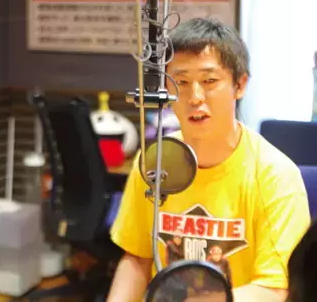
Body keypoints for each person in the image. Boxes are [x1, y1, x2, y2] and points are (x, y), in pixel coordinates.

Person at [107, 18, 310, 301]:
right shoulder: (155, 161)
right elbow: (137, 259)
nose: (195, 97)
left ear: (240, 85)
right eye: (181, 82)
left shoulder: (275, 175)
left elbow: (275, 289)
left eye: (209, 81)